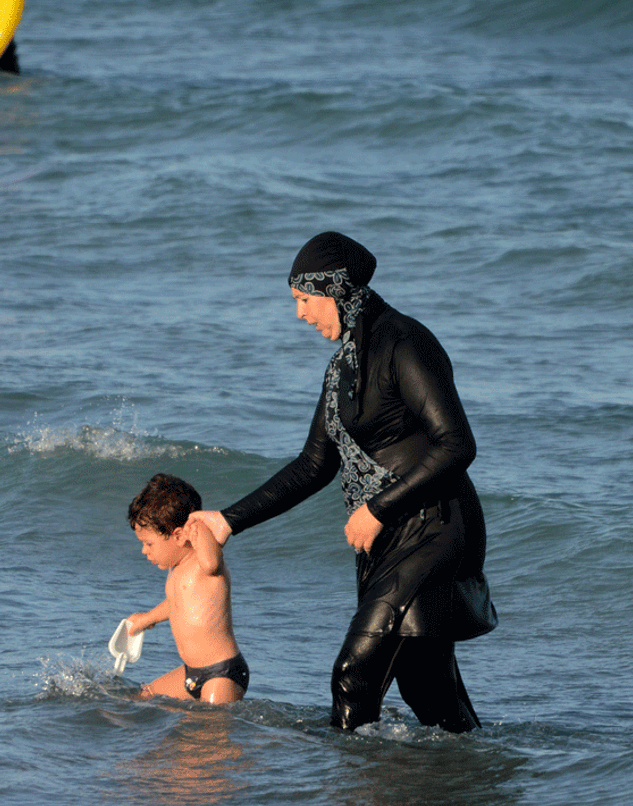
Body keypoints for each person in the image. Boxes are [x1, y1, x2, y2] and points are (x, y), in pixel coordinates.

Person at [189, 231, 496, 733]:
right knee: (426, 688)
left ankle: (346, 784)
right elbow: (314, 464)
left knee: (353, 676)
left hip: (433, 527)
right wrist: (227, 520)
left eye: (305, 300)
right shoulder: (342, 368)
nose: (300, 315)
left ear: (336, 290)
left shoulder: (405, 342)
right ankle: (473, 779)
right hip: (390, 536)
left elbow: (457, 445)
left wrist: (377, 509)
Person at [125, 473, 247, 705]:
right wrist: (146, 618)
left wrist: (199, 528)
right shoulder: (176, 570)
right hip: (191, 673)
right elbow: (176, 604)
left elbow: (213, 563)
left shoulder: (204, 561)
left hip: (221, 673)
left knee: (211, 728)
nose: (144, 551)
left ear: (180, 536)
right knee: (145, 696)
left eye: (149, 543)